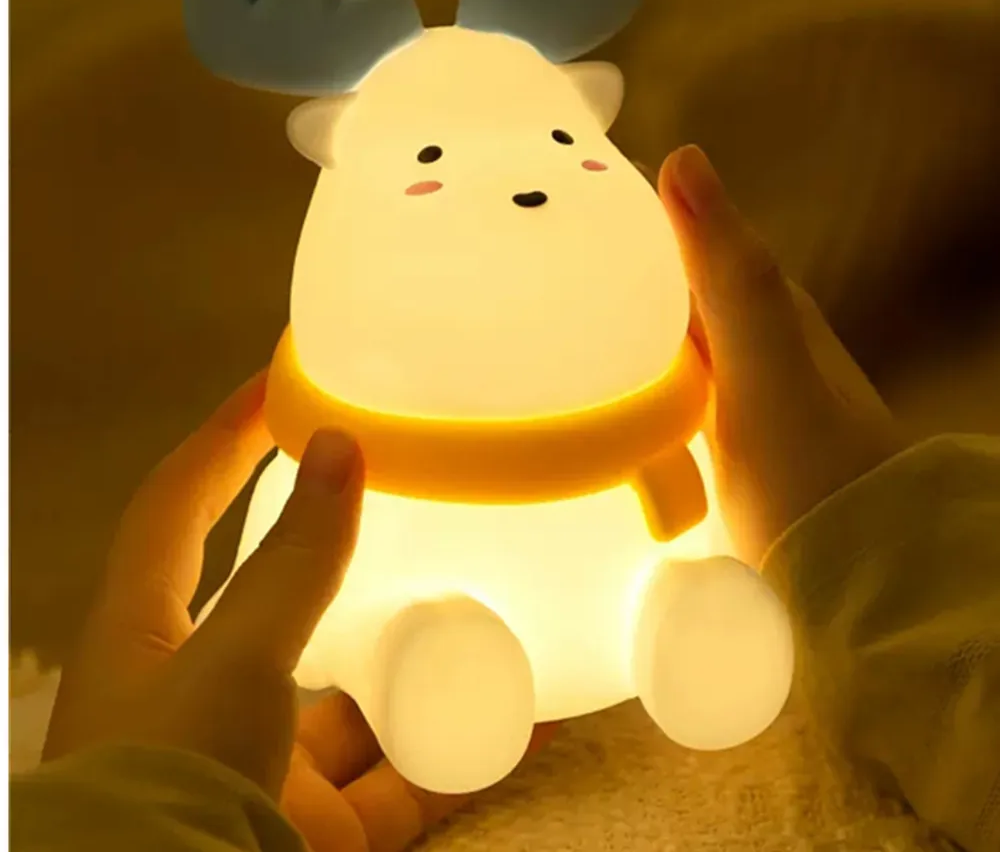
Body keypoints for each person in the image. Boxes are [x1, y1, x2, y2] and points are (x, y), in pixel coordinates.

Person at [10, 147, 1000, 852]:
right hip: (414, 590)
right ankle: (426, 654)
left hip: (642, 521)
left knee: (698, 600)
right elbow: (275, 581)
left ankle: (679, 616)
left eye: (569, 137)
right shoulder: (337, 450)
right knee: (424, 645)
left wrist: (140, 811)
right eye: (431, 154)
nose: (520, 184)